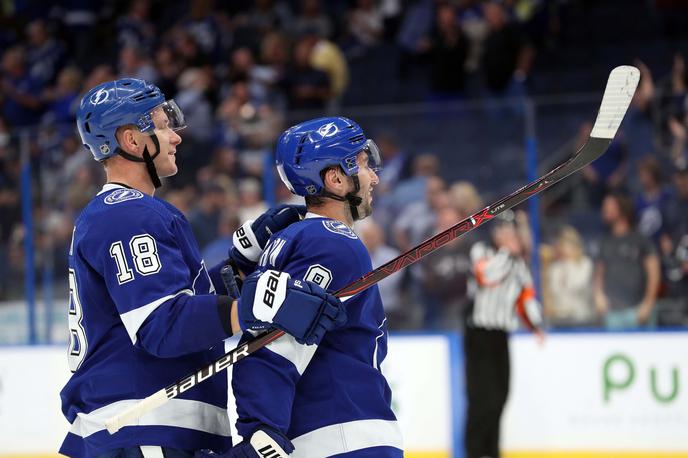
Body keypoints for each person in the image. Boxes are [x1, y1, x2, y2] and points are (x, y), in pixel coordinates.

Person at [60, 78, 347, 458]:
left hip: (148, 425)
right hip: (144, 423)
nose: (175, 136)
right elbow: (159, 325)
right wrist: (251, 307)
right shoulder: (127, 214)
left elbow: (175, 304)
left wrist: (237, 266)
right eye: (162, 126)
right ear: (131, 141)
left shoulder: (121, 213)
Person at [229, 117, 403, 457]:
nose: (374, 177)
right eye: (364, 164)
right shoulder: (331, 242)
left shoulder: (293, 236)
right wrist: (261, 430)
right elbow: (278, 342)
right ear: (336, 178)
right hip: (343, 436)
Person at [464, 213, 543, 458]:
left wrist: (537, 326)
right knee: (482, 399)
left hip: (501, 335)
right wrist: (508, 253)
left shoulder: (518, 263)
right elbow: (486, 276)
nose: (509, 237)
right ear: (496, 233)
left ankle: (492, 451)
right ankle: (475, 452)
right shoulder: (482, 251)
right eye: (504, 232)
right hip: (479, 335)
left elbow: (525, 297)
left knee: (501, 397)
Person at [594, 191, 660, 329]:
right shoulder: (605, 240)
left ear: (621, 208)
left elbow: (654, 272)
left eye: (608, 205)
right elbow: (599, 271)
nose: (604, 209)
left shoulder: (640, 239)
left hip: (638, 309)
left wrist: (648, 303)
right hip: (613, 313)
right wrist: (598, 295)